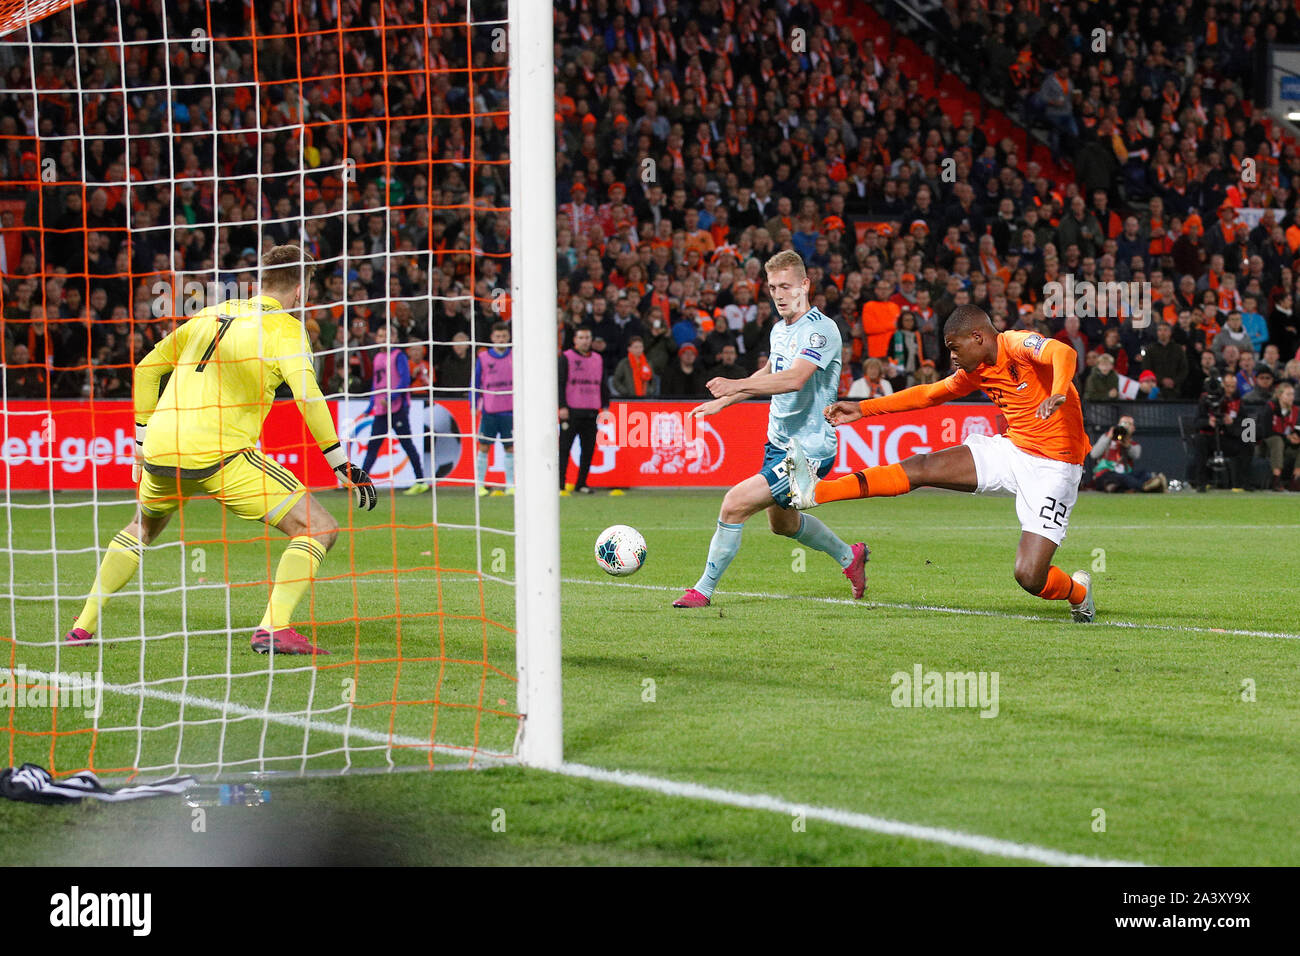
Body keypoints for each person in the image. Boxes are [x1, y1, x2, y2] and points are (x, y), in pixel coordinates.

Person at [63, 244, 377, 655]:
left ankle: (83, 626)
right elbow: (308, 396)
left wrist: (140, 443)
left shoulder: (212, 312)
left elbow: (146, 369)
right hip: (221, 456)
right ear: (301, 291)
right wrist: (339, 462)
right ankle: (273, 629)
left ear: (261, 282)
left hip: (161, 450)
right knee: (318, 528)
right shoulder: (285, 329)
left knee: (142, 527)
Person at [786, 305, 1097, 623]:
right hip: (1013, 450)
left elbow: (1064, 353)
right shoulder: (974, 371)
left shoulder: (1017, 344)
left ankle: (1079, 593)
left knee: (1029, 576)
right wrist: (863, 409)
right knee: (921, 467)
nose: (952, 357)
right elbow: (928, 395)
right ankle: (819, 491)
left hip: (1055, 467)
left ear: (977, 337)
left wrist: (1058, 392)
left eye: (954, 347)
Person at [672, 250, 867, 608]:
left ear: (805, 285)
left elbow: (794, 379)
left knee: (733, 505)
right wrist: (724, 401)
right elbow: (769, 373)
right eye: (773, 286)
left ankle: (702, 590)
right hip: (779, 444)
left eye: (787, 286)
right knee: (784, 525)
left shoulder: (821, 330)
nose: (779, 295)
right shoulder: (780, 330)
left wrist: (733, 385)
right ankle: (849, 556)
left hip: (808, 449)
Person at [361, 324, 429, 495]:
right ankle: (360, 483)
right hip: (382, 410)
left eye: (388, 335)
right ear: (376, 339)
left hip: (398, 408)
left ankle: (421, 481)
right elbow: (376, 385)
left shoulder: (399, 356)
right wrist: (371, 406)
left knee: (407, 444)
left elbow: (405, 380)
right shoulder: (377, 357)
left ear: (395, 339)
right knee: (373, 445)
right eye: (381, 335)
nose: (384, 339)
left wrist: (390, 398)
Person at [558, 326, 604, 495]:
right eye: (582, 337)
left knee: (588, 449)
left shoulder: (598, 359)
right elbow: (560, 383)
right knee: (564, 449)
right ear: (575, 340)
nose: (585, 341)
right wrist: (561, 406)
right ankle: (560, 484)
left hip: (591, 410)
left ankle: (581, 483)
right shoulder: (566, 358)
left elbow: (602, 383)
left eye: (588, 337)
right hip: (571, 410)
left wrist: (605, 405)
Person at [474, 320, 514, 496]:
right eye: (498, 336)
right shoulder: (483, 358)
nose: (501, 339)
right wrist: (473, 403)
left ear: (508, 337)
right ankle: (479, 485)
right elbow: (475, 383)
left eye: (504, 336)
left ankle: (511, 485)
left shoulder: (515, 356)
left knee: (510, 448)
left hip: (510, 411)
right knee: (484, 447)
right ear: (492, 338)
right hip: (489, 411)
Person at [1090, 415, 1166, 492]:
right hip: (1106, 473)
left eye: (1129, 424)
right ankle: (1146, 487)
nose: (1125, 426)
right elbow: (1094, 454)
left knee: (1144, 474)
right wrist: (1109, 437)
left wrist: (1127, 445)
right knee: (1121, 478)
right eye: (1123, 423)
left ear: (1133, 428)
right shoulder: (1106, 437)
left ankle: (1117, 488)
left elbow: (1136, 455)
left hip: (1125, 473)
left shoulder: (1134, 444)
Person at [1264, 382, 1299, 490]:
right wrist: (1286, 437)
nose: (1291, 397)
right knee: (1277, 440)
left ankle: (1296, 479)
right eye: (1288, 394)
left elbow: (1297, 428)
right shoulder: (1270, 407)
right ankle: (1276, 479)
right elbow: (1266, 430)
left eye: (1293, 394)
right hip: (1269, 442)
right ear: (1279, 395)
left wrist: (1296, 436)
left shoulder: (1296, 410)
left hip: (1288, 443)